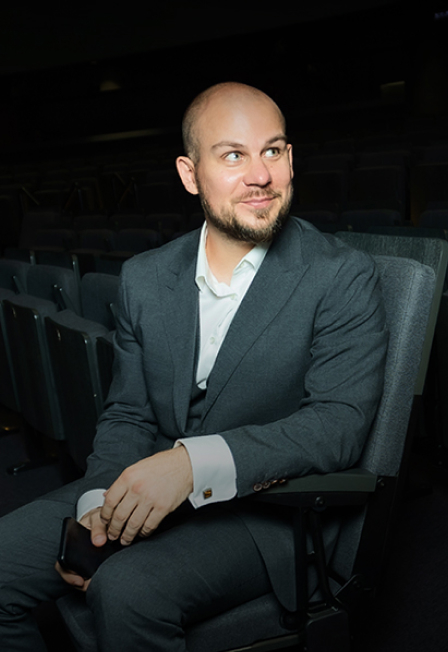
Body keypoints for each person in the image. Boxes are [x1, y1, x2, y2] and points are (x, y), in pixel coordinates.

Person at [0, 82, 388, 651]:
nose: (261, 175)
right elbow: (129, 413)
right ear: (190, 174)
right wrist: (98, 504)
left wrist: (191, 465)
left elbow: (338, 425)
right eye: (233, 155)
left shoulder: (340, 275)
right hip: (139, 485)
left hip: (265, 512)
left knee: (127, 590)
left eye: (273, 150)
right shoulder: (146, 277)